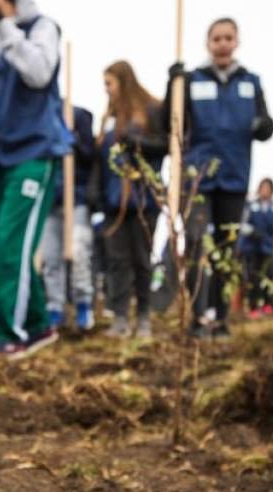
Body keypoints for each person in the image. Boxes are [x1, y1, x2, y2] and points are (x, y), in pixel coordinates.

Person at [168, 17, 273, 339]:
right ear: (208, 44)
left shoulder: (251, 82)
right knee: (198, 245)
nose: (223, 44)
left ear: (237, 42)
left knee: (228, 251)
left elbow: (266, 123)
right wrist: (172, 83)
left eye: (229, 38)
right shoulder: (191, 80)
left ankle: (221, 318)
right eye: (217, 38)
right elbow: (170, 122)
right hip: (198, 178)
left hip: (235, 176)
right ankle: (198, 317)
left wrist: (264, 126)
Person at [0, 0, 72, 356]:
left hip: (34, 153)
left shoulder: (42, 29)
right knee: (11, 244)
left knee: (12, 244)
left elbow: (38, 72)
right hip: (0, 156)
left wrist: (4, 28)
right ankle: (36, 325)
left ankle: (12, 334)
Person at [93, 60, 165, 339]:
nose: (107, 90)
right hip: (113, 202)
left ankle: (144, 317)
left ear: (124, 81)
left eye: (109, 83)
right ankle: (120, 317)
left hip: (144, 200)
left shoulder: (151, 111)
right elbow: (101, 159)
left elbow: (163, 148)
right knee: (116, 261)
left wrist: (137, 142)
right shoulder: (109, 118)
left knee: (142, 260)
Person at [40, 104, 96, 331]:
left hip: (76, 200)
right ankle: (55, 308)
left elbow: (90, 154)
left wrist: (74, 141)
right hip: (50, 200)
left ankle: (83, 304)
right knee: (50, 257)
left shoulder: (79, 116)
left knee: (79, 253)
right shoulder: (42, 116)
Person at [238, 177, 273, 316]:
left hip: (267, 248)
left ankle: (269, 305)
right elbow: (242, 224)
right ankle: (253, 306)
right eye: (263, 187)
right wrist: (252, 231)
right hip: (251, 248)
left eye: (268, 188)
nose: (265, 191)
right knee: (253, 277)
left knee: (267, 276)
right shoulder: (250, 206)